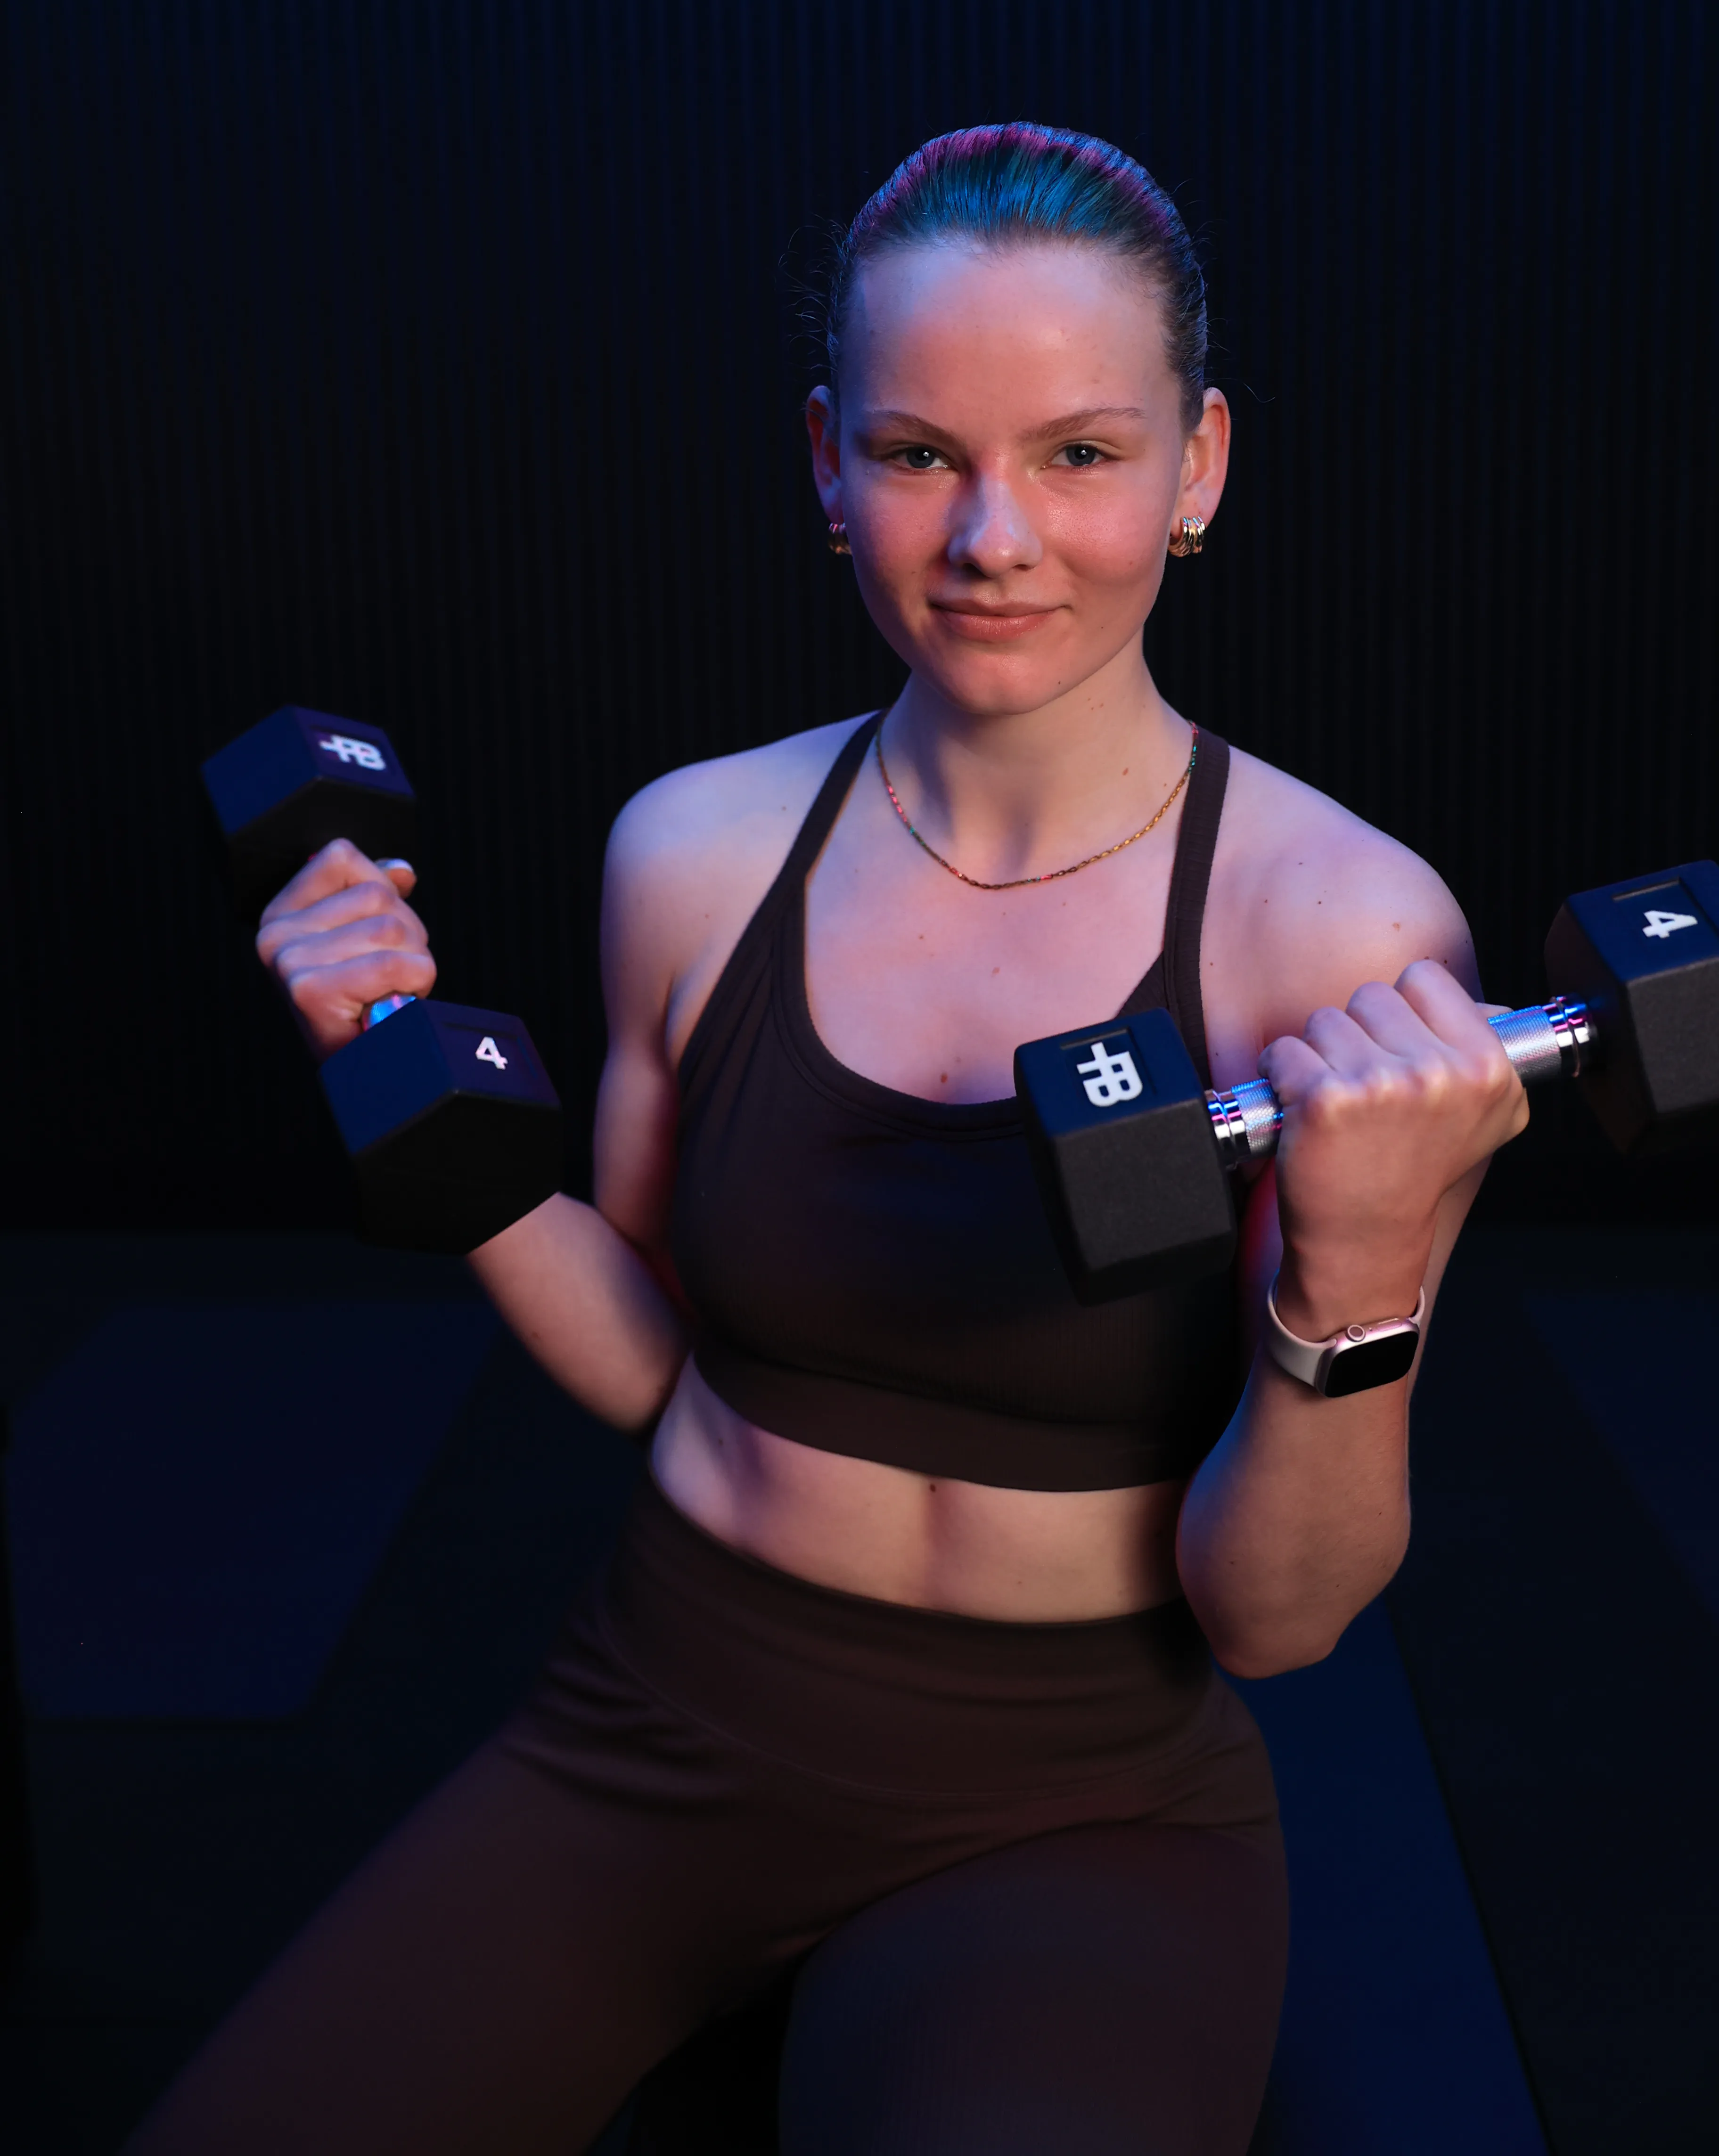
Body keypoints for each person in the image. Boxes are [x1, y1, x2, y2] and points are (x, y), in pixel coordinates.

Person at [130, 125, 1526, 2156]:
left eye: (1078, 452)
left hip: (1083, 1802)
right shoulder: (693, 852)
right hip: (660, 1712)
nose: (992, 538)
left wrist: (1359, 1274)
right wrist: (390, 1049)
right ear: (823, 461)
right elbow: (646, 1355)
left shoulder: (1343, 936)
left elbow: (1279, 1619)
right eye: (913, 454)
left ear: (1199, 465)